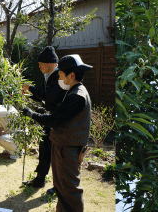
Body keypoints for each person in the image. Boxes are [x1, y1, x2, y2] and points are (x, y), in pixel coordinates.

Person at [22, 55, 93, 212]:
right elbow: (62, 115)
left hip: (67, 149)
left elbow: (55, 120)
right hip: (64, 147)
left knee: (70, 191)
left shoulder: (77, 96)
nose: (59, 78)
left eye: (60, 75)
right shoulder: (74, 91)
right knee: (61, 188)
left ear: (71, 76)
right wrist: (42, 111)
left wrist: (31, 114)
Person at [20, 46, 62, 194]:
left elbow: (50, 96)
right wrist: (27, 93)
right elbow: (42, 95)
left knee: (56, 155)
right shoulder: (48, 75)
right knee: (44, 149)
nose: (38, 67)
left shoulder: (59, 76)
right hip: (48, 118)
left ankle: (59, 187)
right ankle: (40, 179)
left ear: (50, 63)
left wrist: (30, 88)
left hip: (58, 121)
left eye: (41, 64)